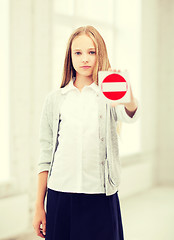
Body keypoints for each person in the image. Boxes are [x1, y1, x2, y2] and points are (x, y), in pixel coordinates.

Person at [32, 25, 140, 240]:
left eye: (91, 52)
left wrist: (126, 92)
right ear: (69, 56)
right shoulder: (55, 99)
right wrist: (38, 206)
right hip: (59, 196)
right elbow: (45, 155)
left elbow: (130, 114)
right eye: (78, 53)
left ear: (100, 53)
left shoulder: (109, 94)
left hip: (99, 197)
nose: (85, 59)